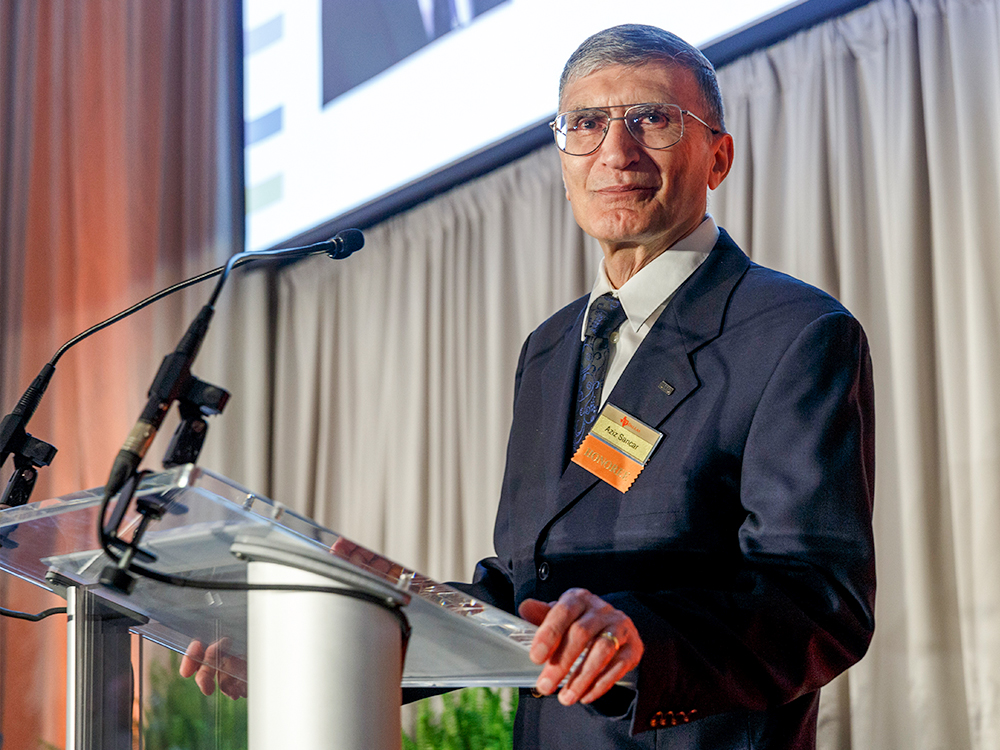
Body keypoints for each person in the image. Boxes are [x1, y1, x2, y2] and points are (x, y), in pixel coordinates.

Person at [185, 23, 876, 750]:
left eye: (652, 119)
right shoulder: (549, 348)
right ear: (564, 154)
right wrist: (320, 652)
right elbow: (523, 593)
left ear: (718, 156)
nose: (616, 151)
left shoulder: (795, 332)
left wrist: (640, 638)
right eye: (586, 123)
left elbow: (820, 605)